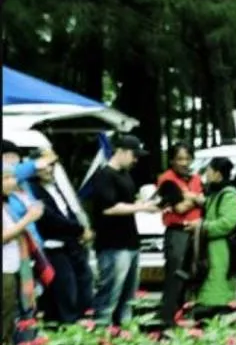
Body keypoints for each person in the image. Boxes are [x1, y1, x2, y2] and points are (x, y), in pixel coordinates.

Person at [14, 143, 91, 325]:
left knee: (84, 284)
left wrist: (80, 228)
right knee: (65, 289)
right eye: (46, 165)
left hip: (72, 242)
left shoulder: (56, 186)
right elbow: (49, 218)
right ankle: (66, 324)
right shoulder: (31, 188)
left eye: (53, 165)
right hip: (52, 244)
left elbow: (67, 211)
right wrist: (79, 229)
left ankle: (81, 320)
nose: (50, 169)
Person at [81, 134, 149, 328]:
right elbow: (108, 208)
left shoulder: (125, 175)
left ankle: (124, 332)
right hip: (112, 244)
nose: (136, 160)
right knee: (110, 291)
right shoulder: (103, 175)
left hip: (131, 241)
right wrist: (141, 208)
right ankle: (102, 330)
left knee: (128, 295)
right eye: (133, 155)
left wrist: (145, 203)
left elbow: (127, 202)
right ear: (121, 152)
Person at [153, 143, 205, 328]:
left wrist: (189, 196)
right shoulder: (166, 179)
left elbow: (205, 200)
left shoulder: (197, 178)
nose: (184, 163)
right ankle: (167, 319)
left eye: (187, 159)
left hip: (196, 232)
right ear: (172, 160)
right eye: (180, 159)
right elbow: (179, 207)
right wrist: (196, 198)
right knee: (175, 274)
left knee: (194, 274)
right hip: (177, 232)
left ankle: (186, 314)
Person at [192, 157, 236, 321]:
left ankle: (219, 319)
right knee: (211, 285)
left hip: (223, 250)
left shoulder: (228, 194)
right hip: (213, 248)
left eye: (208, 171)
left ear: (217, 174)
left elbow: (228, 222)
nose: (205, 174)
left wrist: (202, 227)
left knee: (219, 286)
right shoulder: (216, 193)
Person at [3, 148, 45, 345]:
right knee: (6, 318)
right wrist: (28, 219)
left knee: (16, 316)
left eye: (13, 177)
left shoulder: (7, 205)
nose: (12, 182)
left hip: (14, 266)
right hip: (4, 269)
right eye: (6, 179)